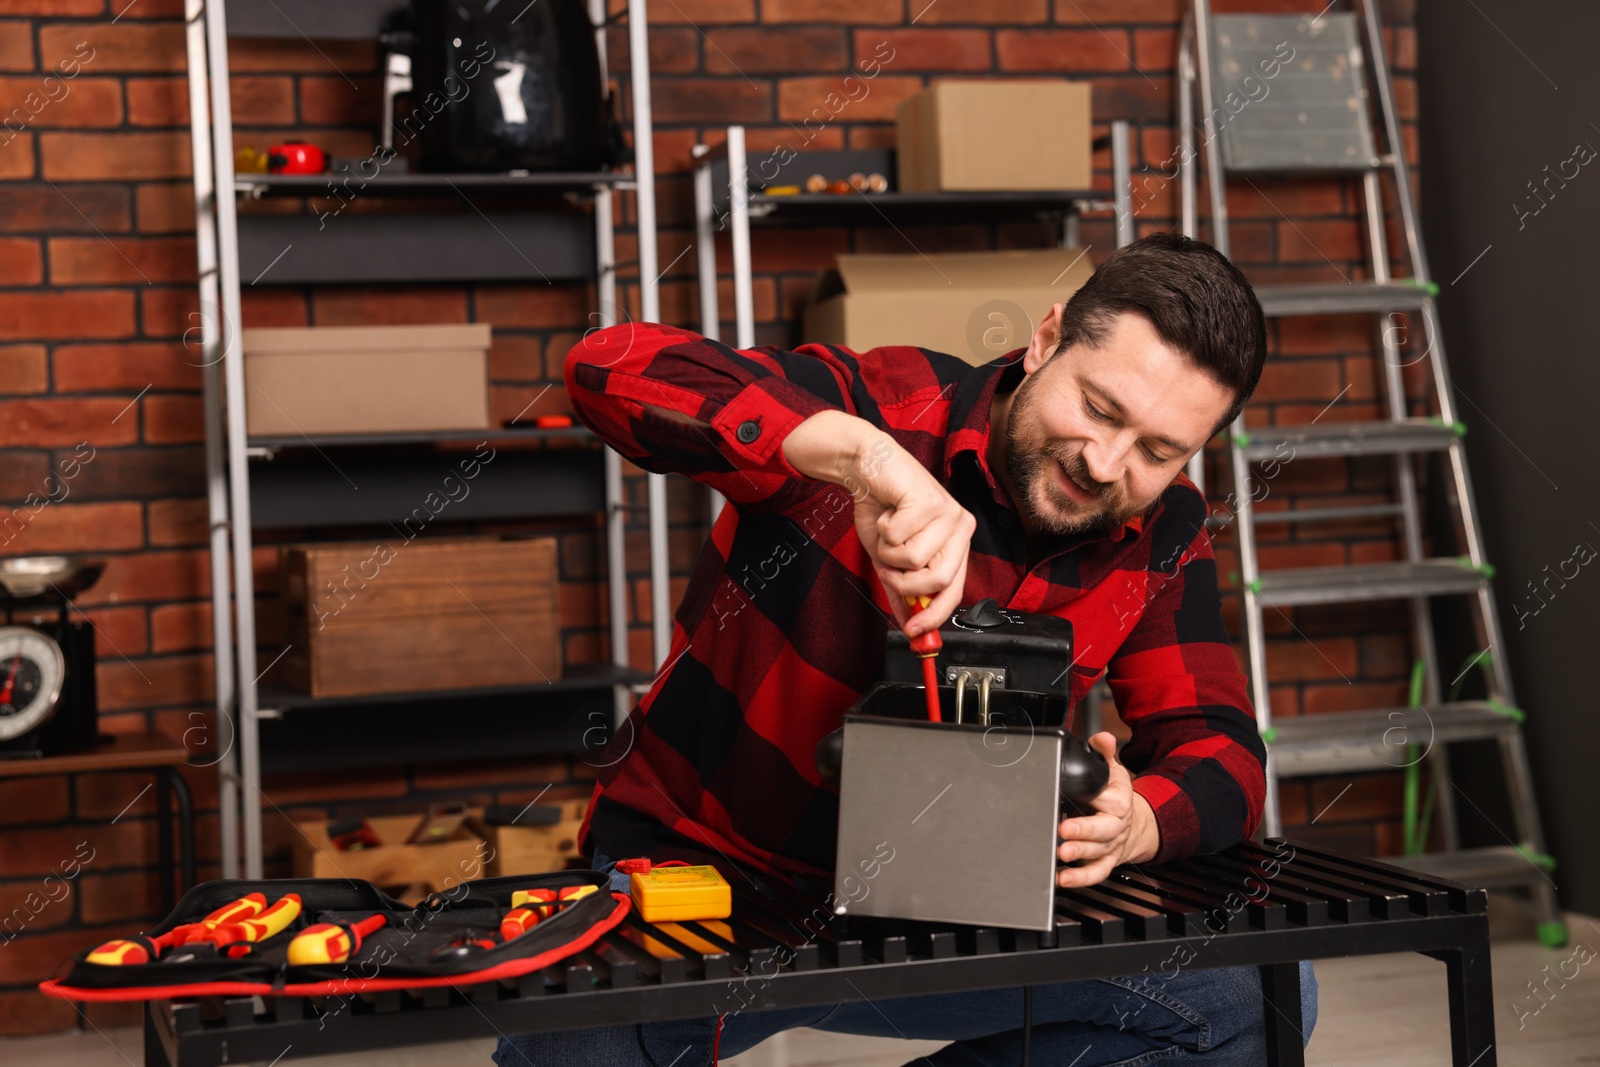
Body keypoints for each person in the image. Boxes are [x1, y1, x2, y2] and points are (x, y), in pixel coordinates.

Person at [494, 233, 1317, 1066]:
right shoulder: (878, 406)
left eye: (1158, 450)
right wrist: (858, 457)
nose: (1106, 464)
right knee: (576, 1048)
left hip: (947, 903)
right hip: (712, 874)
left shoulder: (1165, 526)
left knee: (1255, 995)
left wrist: (1139, 820)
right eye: (1101, 410)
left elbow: (1223, 750)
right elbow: (608, 364)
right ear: (1045, 340)